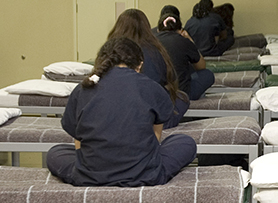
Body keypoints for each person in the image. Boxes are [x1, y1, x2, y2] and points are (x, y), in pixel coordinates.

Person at [46, 37, 197, 187]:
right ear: (139, 65)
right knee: (185, 142)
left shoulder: (83, 89)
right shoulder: (151, 87)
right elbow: (156, 139)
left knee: (55, 153)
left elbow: (78, 142)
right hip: (144, 175)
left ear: (101, 63)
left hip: (91, 176)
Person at [107, 9, 185, 127]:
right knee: (182, 98)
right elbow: (170, 80)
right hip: (149, 113)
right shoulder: (155, 50)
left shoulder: (109, 51)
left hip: (116, 111)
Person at [156, 10, 216, 105]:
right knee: (207, 74)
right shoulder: (183, 41)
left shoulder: (151, 42)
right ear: (181, 30)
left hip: (158, 93)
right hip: (182, 93)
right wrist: (190, 40)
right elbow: (201, 66)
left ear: (158, 30)